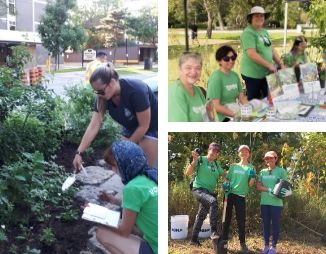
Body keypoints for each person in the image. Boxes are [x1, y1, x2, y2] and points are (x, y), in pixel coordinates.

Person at [73, 64, 158, 169]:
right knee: (121, 165)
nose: (98, 94)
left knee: (144, 169)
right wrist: (79, 152)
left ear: (112, 83)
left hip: (153, 126)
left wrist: (124, 149)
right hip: (131, 127)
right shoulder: (102, 97)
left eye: (100, 91)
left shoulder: (136, 90)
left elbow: (144, 126)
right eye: (96, 92)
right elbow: (94, 125)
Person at [96, 140, 158, 254]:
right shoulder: (151, 175)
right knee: (134, 225)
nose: (113, 170)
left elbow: (124, 231)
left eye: (114, 166)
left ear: (125, 164)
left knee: (102, 232)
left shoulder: (132, 188)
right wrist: (112, 200)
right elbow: (138, 205)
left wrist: (97, 217)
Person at [185, 143, 226, 245]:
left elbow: (225, 174)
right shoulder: (201, 159)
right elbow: (188, 173)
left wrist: (236, 169)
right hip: (198, 189)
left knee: (201, 216)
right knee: (213, 202)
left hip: (209, 192)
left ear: (218, 154)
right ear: (208, 150)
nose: (214, 152)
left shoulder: (216, 164)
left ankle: (193, 240)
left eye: (216, 151)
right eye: (212, 150)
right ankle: (213, 231)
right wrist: (194, 161)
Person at [240, 6, 284, 100]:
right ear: (251, 18)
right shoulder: (248, 33)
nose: (260, 18)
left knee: (271, 98)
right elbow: (251, 54)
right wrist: (269, 65)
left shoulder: (264, 32)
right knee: (255, 102)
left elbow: (271, 49)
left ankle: (269, 114)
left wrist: (281, 63)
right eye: (256, 16)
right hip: (252, 74)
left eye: (262, 16)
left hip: (266, 73)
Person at [221, 145, 256, 254]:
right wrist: (225, 185)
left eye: (246, 151)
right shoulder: (233, 166)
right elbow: (227, 179)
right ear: (239, 153)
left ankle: (242, 244)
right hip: (229, 194)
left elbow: (250, 185)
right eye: (241, 151)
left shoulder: (251, 167)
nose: (243, 153)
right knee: (226, 219)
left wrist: (253, 177)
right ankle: (224, 243)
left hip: (241, 196)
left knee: (241, 220)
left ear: (249, 154)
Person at [256, 151, 288, 254]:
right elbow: (258, 186)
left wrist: (278, 191)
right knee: (265, 224)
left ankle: (273, 247)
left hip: (276, 203)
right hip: (264, 202)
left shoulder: (281, 171)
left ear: (275, 158)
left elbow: (285, 187)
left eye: (271, 158)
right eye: (266, 159)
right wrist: (269, 189)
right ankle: (266, 246)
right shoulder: (262, 172)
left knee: (275, 224)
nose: (269, 160)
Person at [207, 45, 248, 121]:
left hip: (234, 111)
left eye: (233, 58)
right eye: (226, 59)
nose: (231, 61)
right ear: (219, 61)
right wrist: (237, 115)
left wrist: (249, 109)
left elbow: (242, 98)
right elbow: (215, 106)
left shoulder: (235, 76)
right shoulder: (216, 78)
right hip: (221, 117)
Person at [169, 52, 211, 122]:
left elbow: (209, 118)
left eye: (198, 68)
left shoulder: (198, 90)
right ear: (180, 69)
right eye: (188, 68)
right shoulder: (176, 93)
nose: (194, 72)